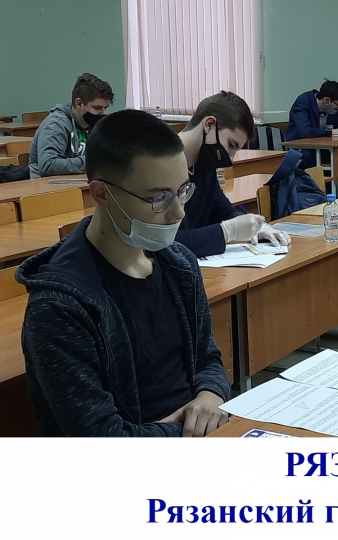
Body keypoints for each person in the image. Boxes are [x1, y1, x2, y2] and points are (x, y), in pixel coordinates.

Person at [17, 110, 231, 436]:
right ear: (101, 193)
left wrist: (210, 397)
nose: (178, 212)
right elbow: (104, 438)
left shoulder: (180, 265)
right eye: (158, 198)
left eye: (182, 191)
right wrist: (188, 430)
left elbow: (208, 358)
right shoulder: (58, 306)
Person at [176, 91, 291, 259]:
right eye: (231, 145)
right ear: (209, 125)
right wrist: (227, 232)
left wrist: (256, 227)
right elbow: (164, 244)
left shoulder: (204, 165)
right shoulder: (161, 164)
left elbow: (225, 211)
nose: (230, 158)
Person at [28, 73, 114, 178]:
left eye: (105, 108)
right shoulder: (56, 124)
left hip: (77, 181)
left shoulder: (93, 125)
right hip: (46, 184)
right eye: (97, 108)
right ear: (79, 104)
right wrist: (93, 162)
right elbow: (48, 165)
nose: (103, 113)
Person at [285, 80, 338, 168]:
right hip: (300, 149)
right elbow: (306, 131)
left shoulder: (331, 109)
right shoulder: (303, 102)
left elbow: (336, 120)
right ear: (326, 100)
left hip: (320, 147)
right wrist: (331, 132)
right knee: (312, 157)